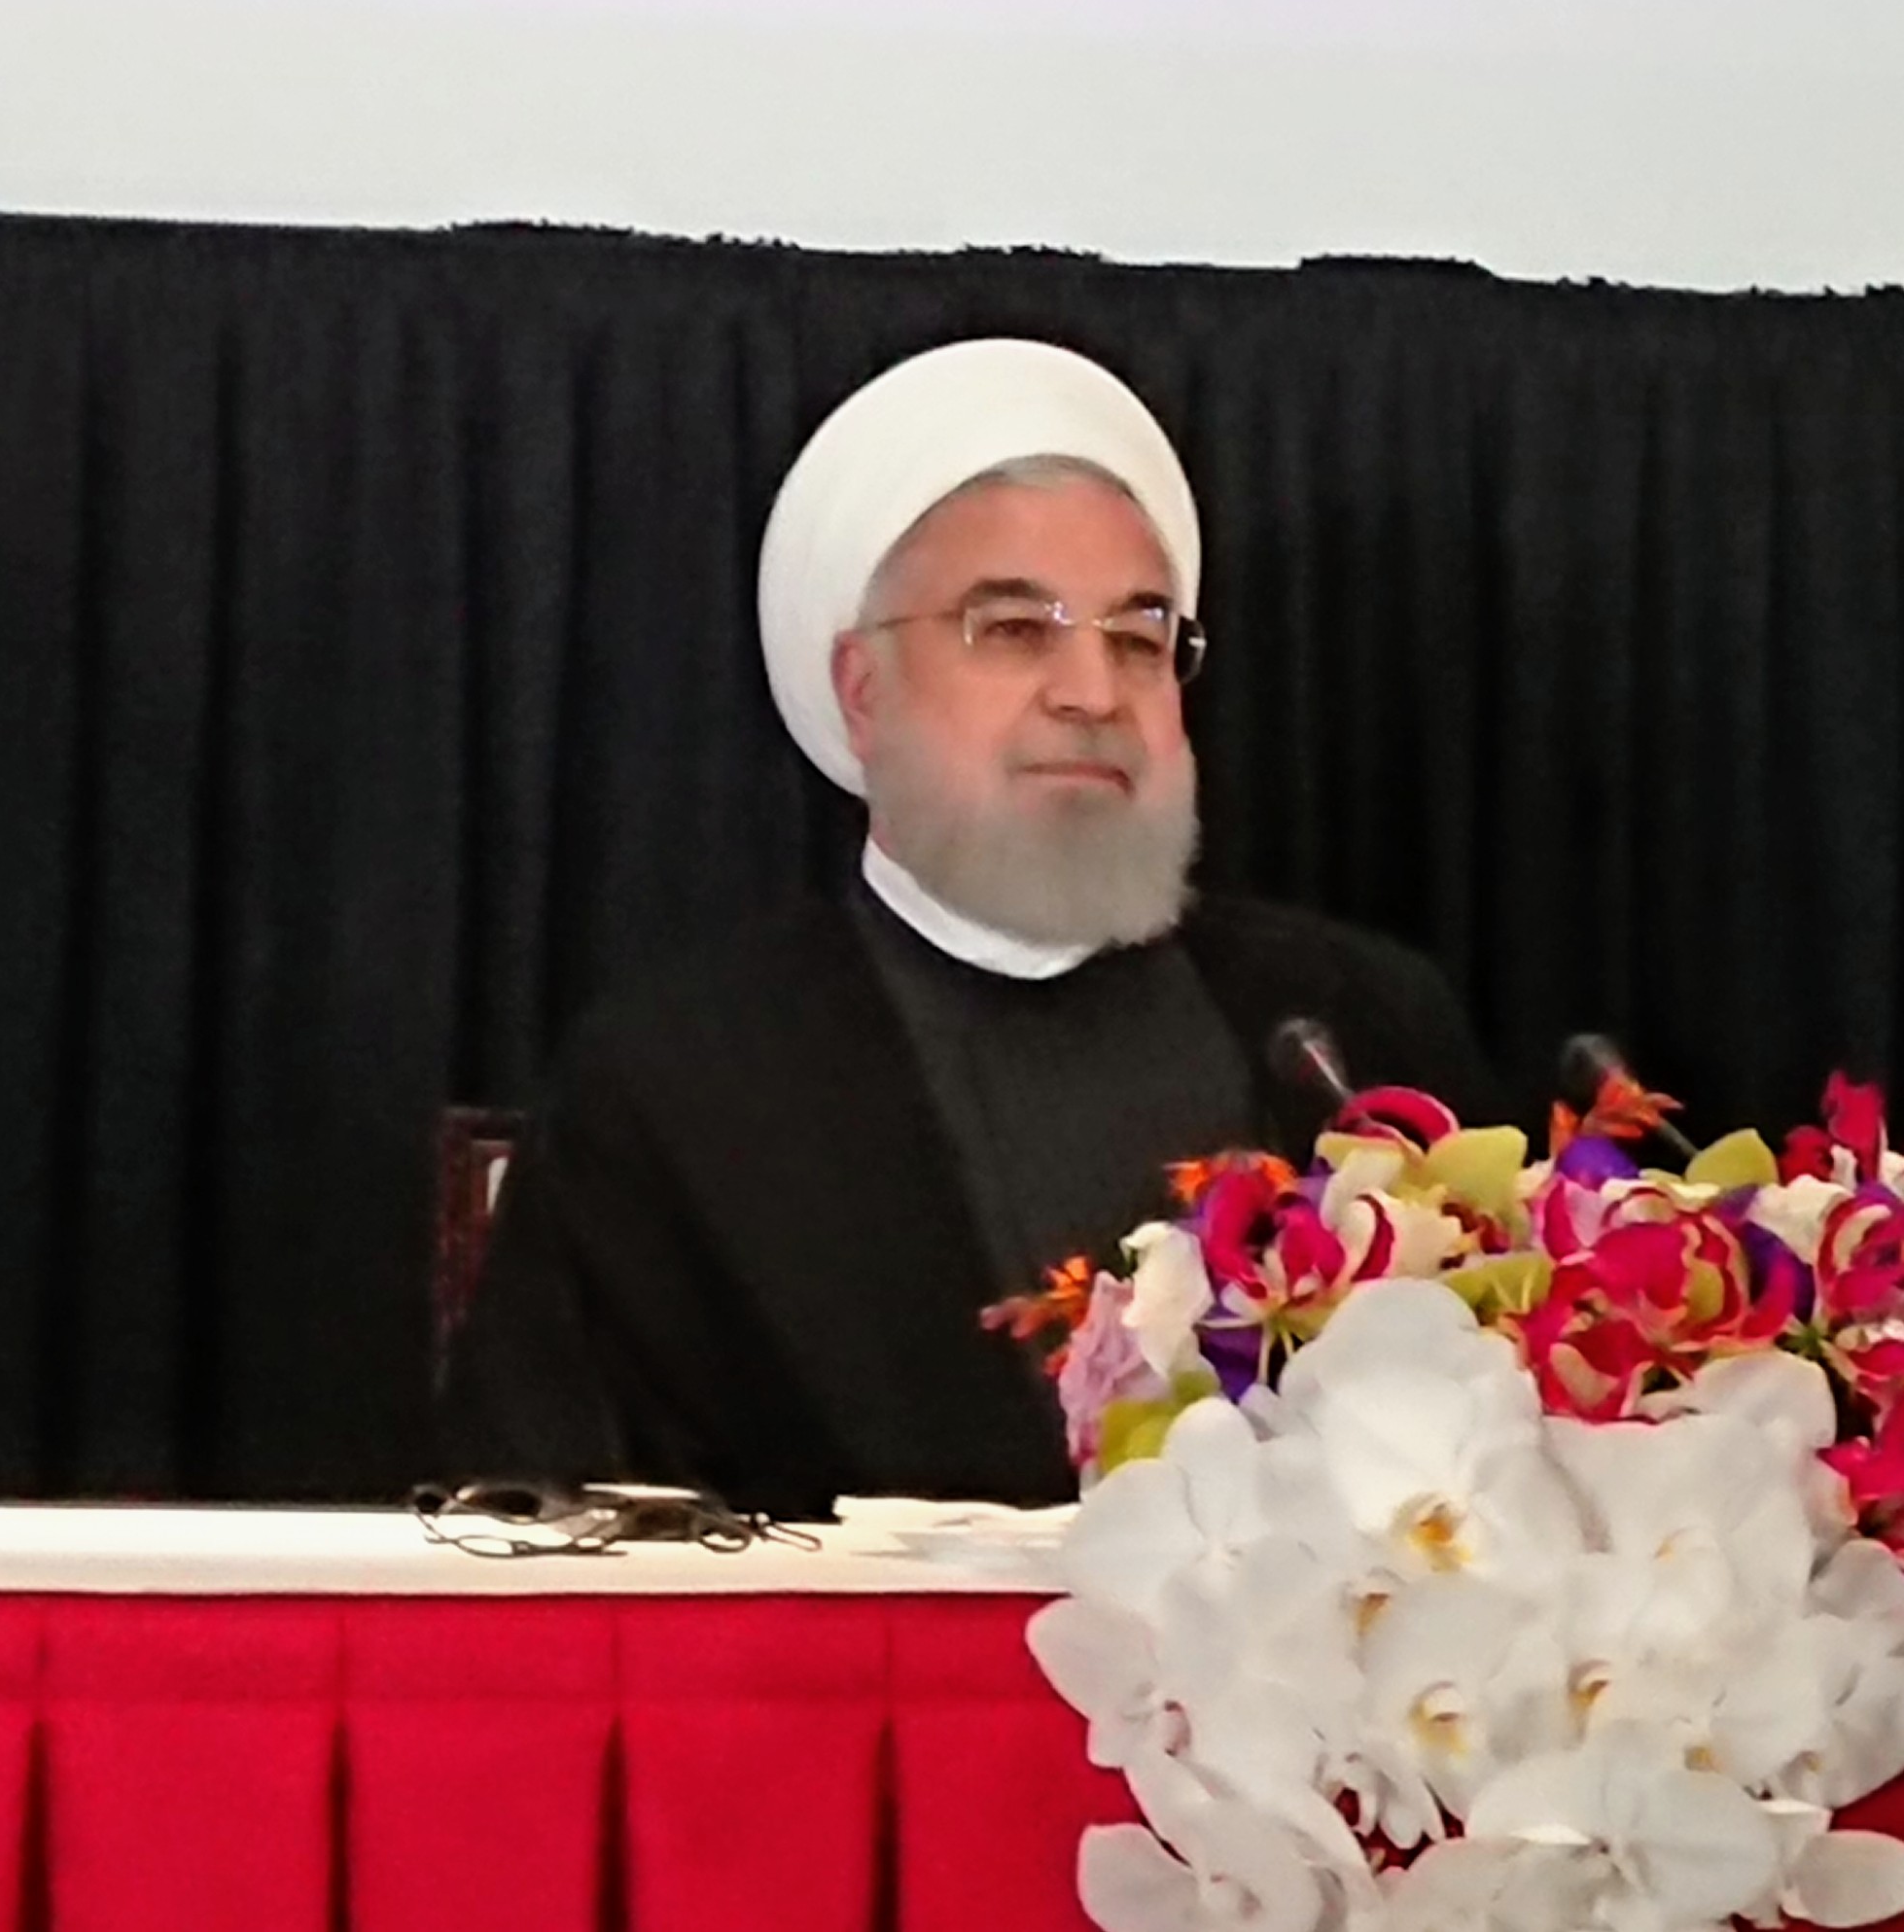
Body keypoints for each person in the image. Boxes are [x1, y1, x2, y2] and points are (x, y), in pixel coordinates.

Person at [436, 335, 1498, 1514]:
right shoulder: (673, 1085)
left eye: (1137, 636)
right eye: (1013, 628)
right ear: (861, 689)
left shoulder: (1353, 1033)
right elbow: (551, 1540)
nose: (1091, 691)